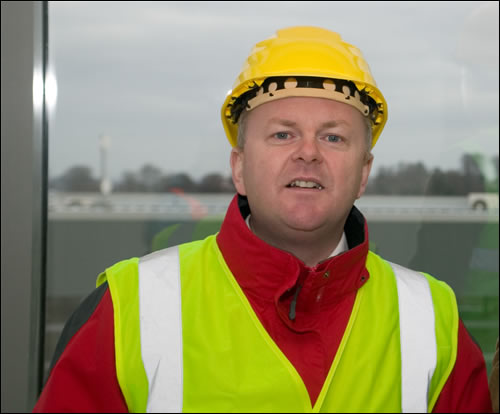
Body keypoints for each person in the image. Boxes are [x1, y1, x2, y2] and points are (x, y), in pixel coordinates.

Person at [33, 26, 492, 413]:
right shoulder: (125, 311)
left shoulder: (433, 321)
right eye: (282, 134)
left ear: (363, 174)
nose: (308, 152)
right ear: (239, 168)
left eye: (333, 137)